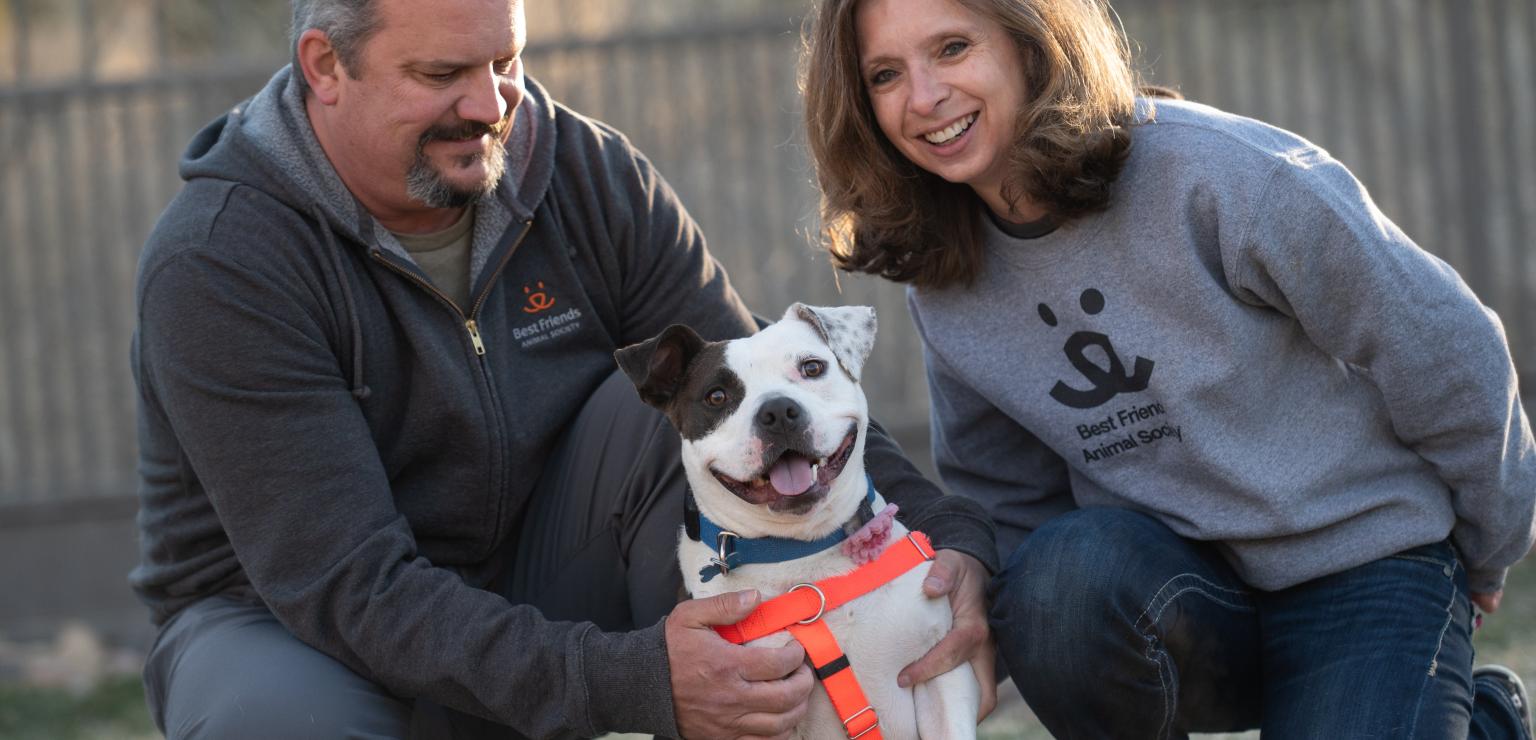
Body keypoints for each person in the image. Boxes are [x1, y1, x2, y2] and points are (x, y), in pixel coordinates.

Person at [128, 0, 1002, 737]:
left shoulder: (586, 172)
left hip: (548, 571)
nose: (489, 103)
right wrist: (631, 680)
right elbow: (347, 586)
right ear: (325, 65)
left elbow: (772, 395)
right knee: (271, 716)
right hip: (297, 632)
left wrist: (947, 542)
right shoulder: (222, 261)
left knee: (698, 412)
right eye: (442, 76)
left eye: (507, 61)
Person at [800, 0, 1536, 736]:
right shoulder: (947, 280)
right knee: (1056, 582)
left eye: (954, 48)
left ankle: (1484, 722)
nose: (924, 98)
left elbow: (1443, 343)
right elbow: (1007, 505)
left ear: (1031, 44)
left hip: (1365, 568)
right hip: (1184, 598)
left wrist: (1487, 548)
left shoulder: (1220, 177)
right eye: (886, 74)